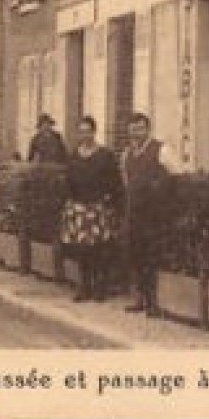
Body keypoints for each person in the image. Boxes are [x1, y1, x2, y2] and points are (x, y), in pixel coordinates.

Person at [59, 116, 123, 302]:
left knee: (99, 250)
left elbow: (115, 181)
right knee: (81, 250)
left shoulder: (105, 155)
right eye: (81, 131)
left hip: (98, 208)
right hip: (79, 209)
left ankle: (100, 288)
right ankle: (84, 287)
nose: (85, 135)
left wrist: (110, 202)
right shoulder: (74, 155)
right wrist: (69, 202)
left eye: (88, 131)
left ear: (94, 132)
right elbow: (68, 179)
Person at [121, 111, 173, 315]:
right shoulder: (126, 155)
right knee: (136, 255)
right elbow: (127, 184)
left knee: (153, 256)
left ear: (148, 129)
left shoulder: (161, 150)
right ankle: (140, 299)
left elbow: (177, 175)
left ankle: (154, 302)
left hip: (156, 214)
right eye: (133, 129)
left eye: (140, 129)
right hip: (135, 214)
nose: (136, 133)